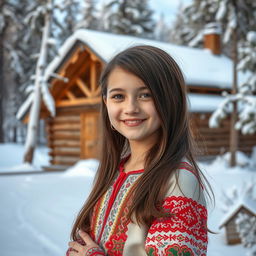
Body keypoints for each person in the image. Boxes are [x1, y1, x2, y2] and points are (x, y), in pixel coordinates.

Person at [66, 45, 213, 256]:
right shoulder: (114, 172)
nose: (131, 107)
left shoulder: (178, 180)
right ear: (106, 102)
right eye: (118, 96)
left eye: (145, 95)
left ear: (170, 100)